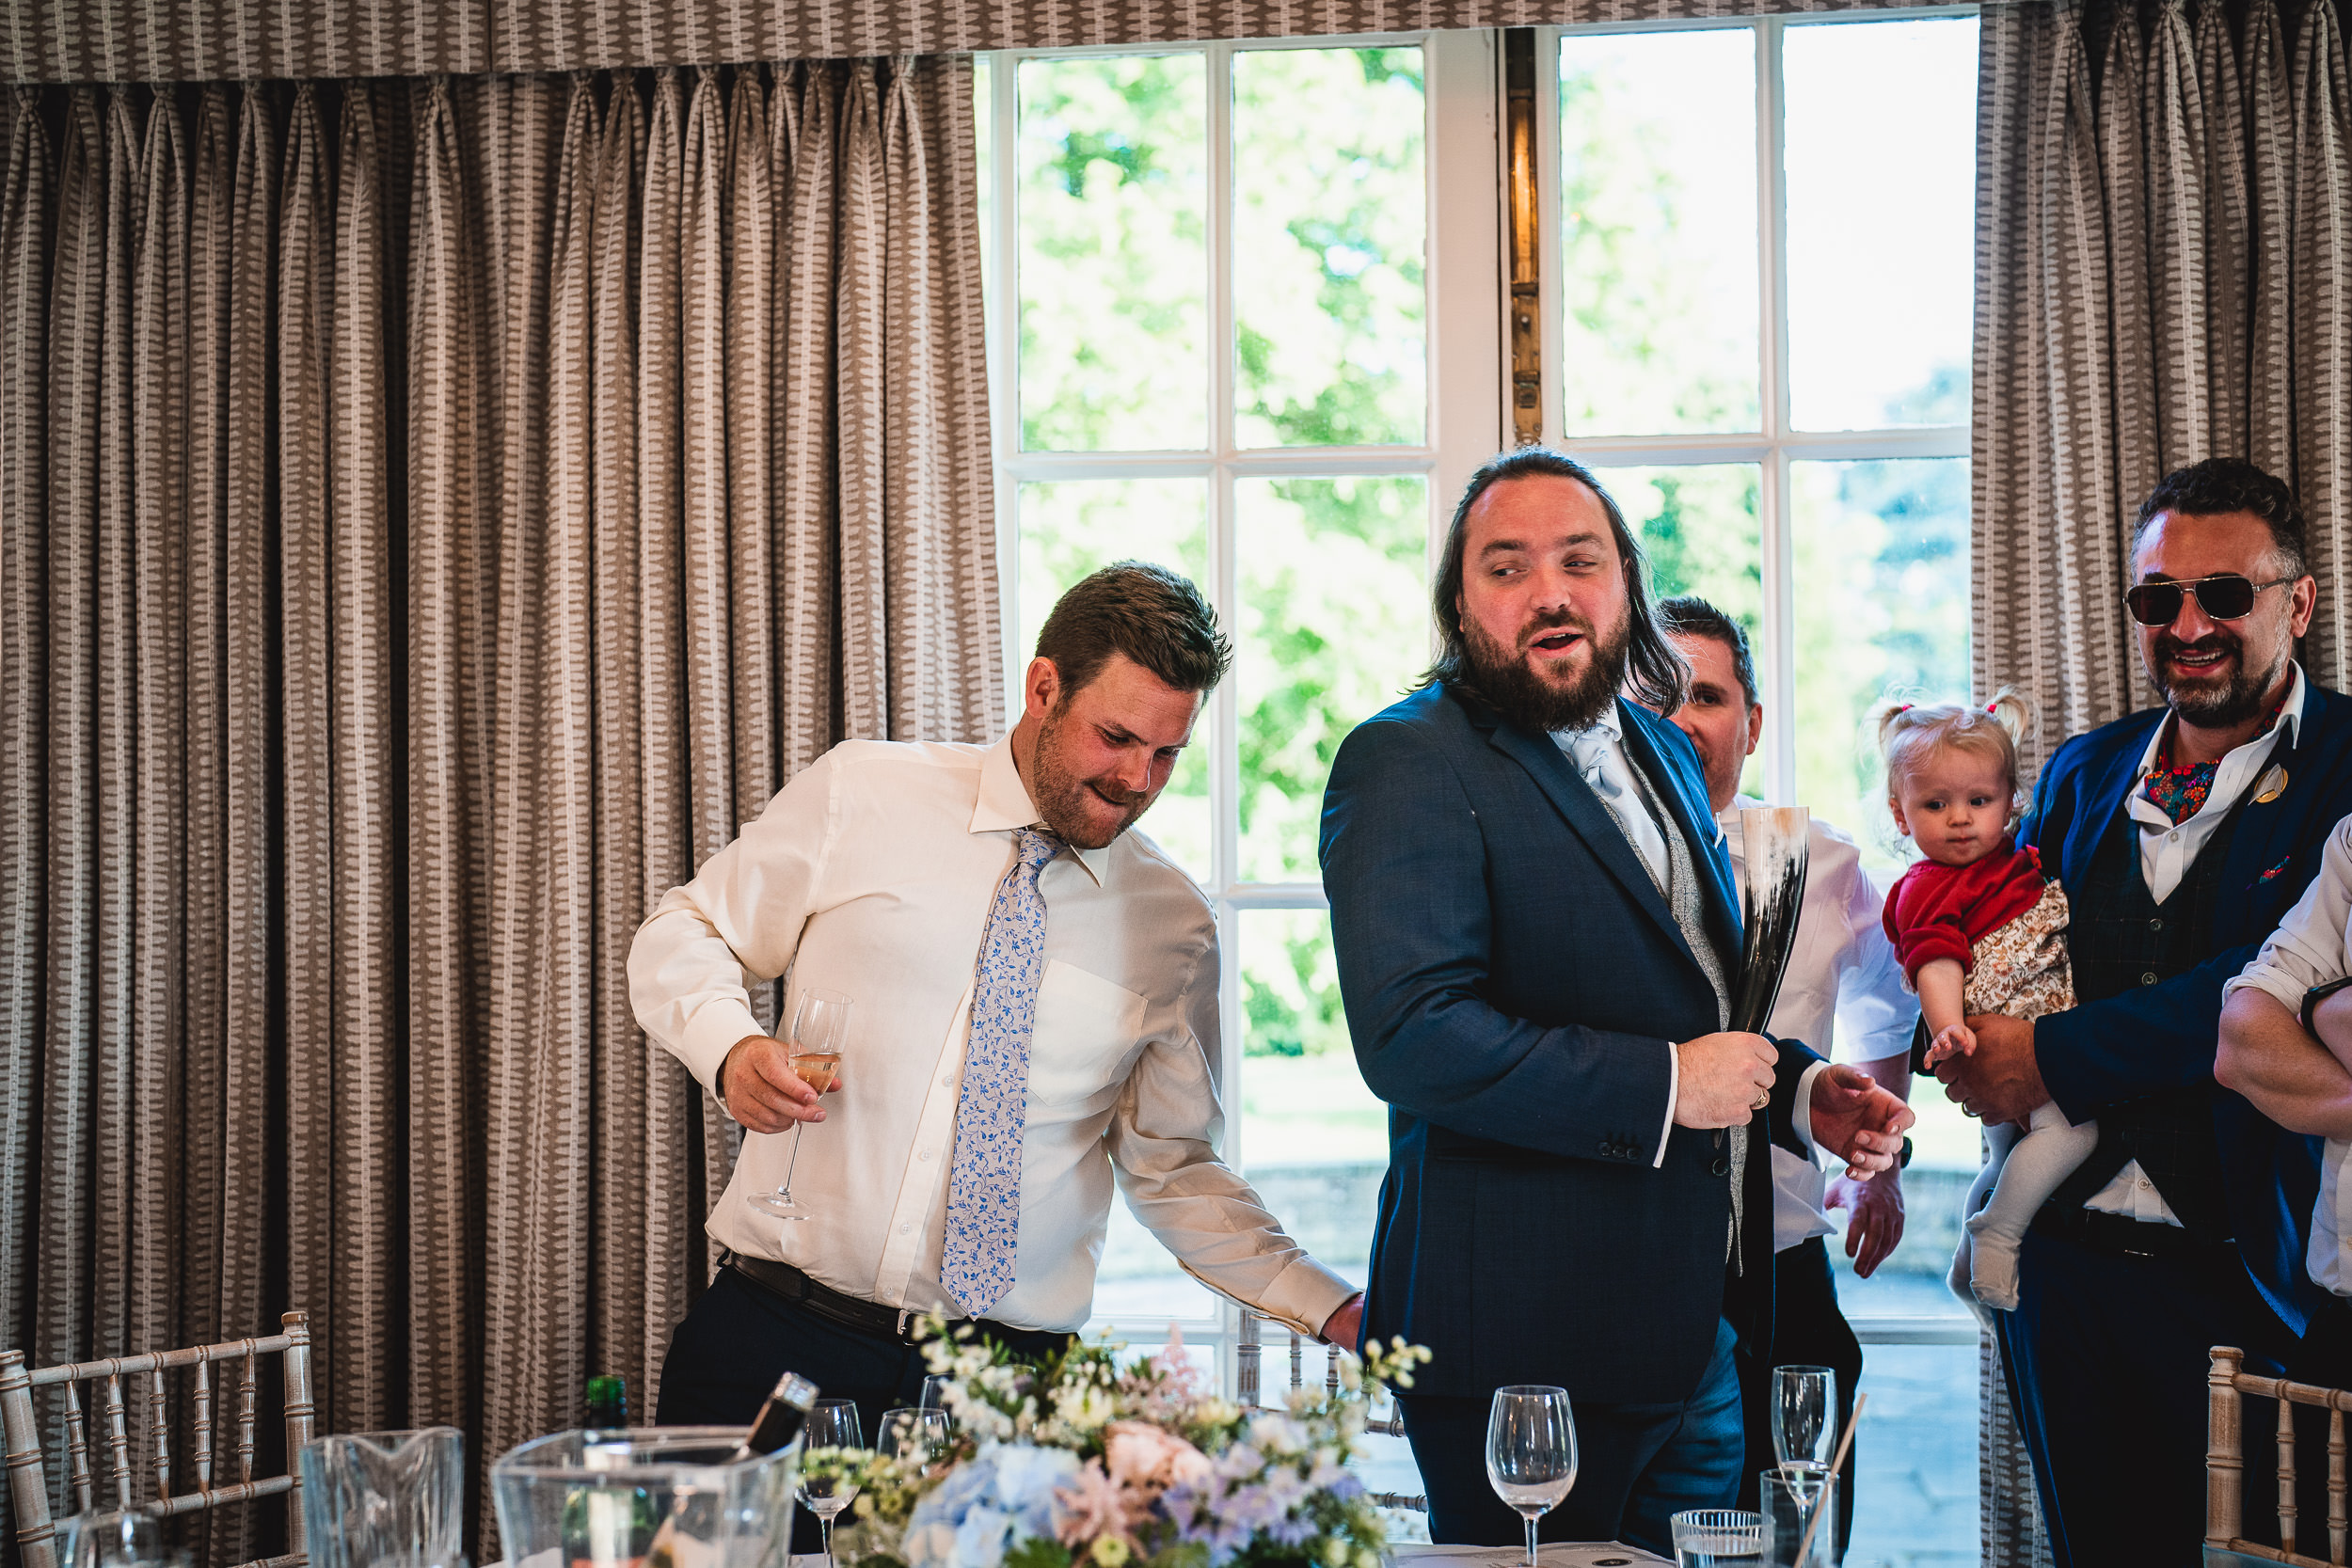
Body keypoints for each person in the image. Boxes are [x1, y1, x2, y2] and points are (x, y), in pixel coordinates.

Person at [633, 562, 1364, 1527]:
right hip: (778, 1347)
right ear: (1042, 687)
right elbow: (685, 929)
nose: (1134, 781)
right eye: (1115, 737)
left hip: (1008, 1406)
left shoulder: (1172, 926)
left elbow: (1174, 1167)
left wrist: (1331, 1303)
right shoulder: (865, 791)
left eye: (1166, 753)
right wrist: (729, 1047)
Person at [1319, 448, 1913, 1555]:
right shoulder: (1403, 760)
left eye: (1578, 560)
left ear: (1625, 587)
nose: (1549, 591)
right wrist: (1667, 1085)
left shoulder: (1656, 747)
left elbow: (1685, 992)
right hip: (1516, 1349)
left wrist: (1799, 1093)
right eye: (1507, 566)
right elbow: (1412, 1035)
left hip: (1690, 1337)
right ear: (1460, 602)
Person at [1931, 456, 2352, 1565]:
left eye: (2225, 594)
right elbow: (2014, 942)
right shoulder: (2081, 768)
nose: (2188, 623)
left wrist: (2052, 1056)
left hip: (2255, 1275)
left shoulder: (2347, 768)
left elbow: (2267, 986)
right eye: (2157, 596)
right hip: (2061, 1268)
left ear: (2297, 603)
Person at [1655, 596, 1916, 1555]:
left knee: (1795, 1540)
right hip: (1636, 1265)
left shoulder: (1826, 862)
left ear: (1750, 722)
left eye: (1707, 696)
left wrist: (1878, 1163)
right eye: (1654, 694)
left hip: (1784, 1267)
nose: (1681, 717)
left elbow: (1890, 1006)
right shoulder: (1593, 870)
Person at [1875, 695, 2084, 1315]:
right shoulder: (1925, 886)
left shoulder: (2007, 857)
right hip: (2001, 1026)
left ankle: (1966, 1271)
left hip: (2029, 1007)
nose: (1960, 819)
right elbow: (1935, 963)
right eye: (1935, 805)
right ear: (1900, 814)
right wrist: (1947, 1031)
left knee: (2002, 1154)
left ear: (2012, 801)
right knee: (2073, 1128)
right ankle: (1999, 1232)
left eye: (1979, 801)